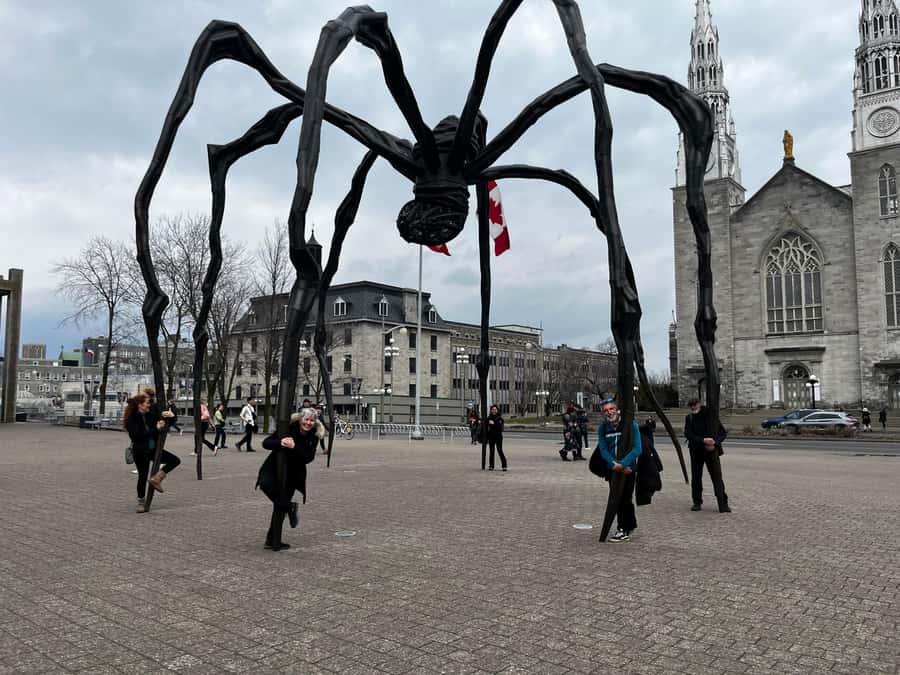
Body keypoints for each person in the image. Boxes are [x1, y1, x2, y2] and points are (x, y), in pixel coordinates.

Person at [257, 408, 323, 551]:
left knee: (279, 507)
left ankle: (273, 540)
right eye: (306, 419)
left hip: (293, 474)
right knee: (265, 484)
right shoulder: (287, 429)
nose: (308, 423)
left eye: (311, 420)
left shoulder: (314, 436)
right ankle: (290, 507)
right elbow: (266, 443)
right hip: (273, 467)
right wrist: (280, 442)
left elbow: (308, 457)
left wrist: (294, 447)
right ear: (300, 419)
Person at [124, 393, 181, 512]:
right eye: (147, 402)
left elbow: (166, 423)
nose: (149, 404)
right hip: (140, 451)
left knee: (175, 460)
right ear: (140, 405)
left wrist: (171, 416)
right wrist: (155, 428)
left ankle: (157, 478)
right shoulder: (131, 418)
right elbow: (137, 436)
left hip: (153, 449)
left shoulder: (151, 415)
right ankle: (141, 501)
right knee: (143, 475)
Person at [597, 400, 642, 542]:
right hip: (613, 470)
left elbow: (637, 448)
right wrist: (613, 464)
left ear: (617, 410)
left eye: (611, 409)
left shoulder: (630, 426)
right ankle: (626, 526)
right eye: (605, 410)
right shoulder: (603, 428)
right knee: (616, 498)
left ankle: (624, 528)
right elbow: (603, 449)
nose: (609, 412)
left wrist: (623, 464)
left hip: (628, 469)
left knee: (626, 498)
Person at [684, 398, 730, 513]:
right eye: (691, 406)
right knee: (696, 477)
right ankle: (697, 502)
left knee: (716, 477)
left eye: (694, 405)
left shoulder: (710, 416)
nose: (693, 408)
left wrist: (715, 442)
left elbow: (722, 432)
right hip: (696, 451)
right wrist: (703, 440)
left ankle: (723, 502)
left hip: (711, 450)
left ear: (699, 404)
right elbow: (688, 434)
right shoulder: (689, 418)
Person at [486, 404, 507, 471]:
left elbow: (500, 428)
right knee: (491, 451)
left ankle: (504, 465)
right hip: (491, 436)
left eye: (495, 409)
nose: (494, 411)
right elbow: (486, 424)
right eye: (493, 410)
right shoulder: (489, 417)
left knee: (500, 450)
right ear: (491, 410)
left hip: (498, 437)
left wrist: (494, 424)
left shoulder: (500, 418)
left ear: (497, 410)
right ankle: (491, 466)